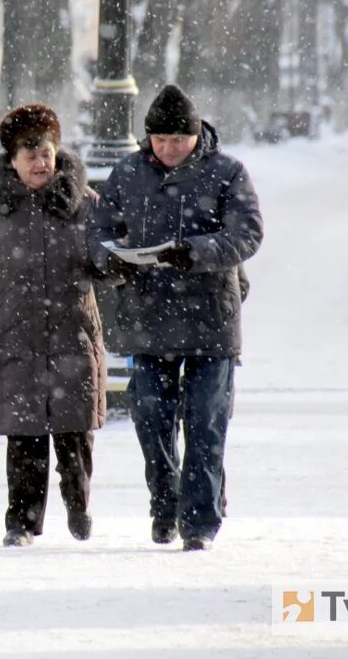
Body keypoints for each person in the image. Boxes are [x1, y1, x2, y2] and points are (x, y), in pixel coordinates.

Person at [89, 84, 263, 552]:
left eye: (177, 141)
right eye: (158, 140)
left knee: (205, 420)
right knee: (152, 417)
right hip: (148, 315)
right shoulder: (127, 173)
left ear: (196, 136)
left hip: (211, 316)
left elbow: (247, 233)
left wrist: (198, 252)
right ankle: (165, 503)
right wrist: (112, 260)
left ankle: (200, 520)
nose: (167, 149)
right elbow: (99, 233)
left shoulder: (227, 172)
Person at [0, 103, 107, 548]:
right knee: (24, 440)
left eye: (47, 154)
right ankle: (21, 523)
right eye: (30, 155)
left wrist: (112, 264)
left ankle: (78, 505)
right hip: (13, 340)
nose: (41, 163)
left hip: (71, 337)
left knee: (75, 436)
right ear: (12, 160)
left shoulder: (84, 205)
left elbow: (111, 261)